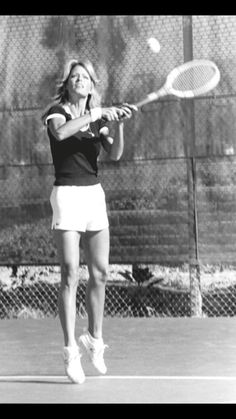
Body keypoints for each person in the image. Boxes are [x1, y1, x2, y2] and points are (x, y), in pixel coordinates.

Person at [42, 58, 137, 384]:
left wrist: (118, 122)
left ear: (92, 85)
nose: (80, 80)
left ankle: (94, 339)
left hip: (93, 196)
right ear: (67, 84)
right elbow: (61, 133)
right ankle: (70, 350)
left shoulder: (99, 121)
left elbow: (115, 155)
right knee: (70, 273)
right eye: (75, 76)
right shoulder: (58, 111)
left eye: (85, 77)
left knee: (100, 272)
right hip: (67, 196)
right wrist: (98, 113)